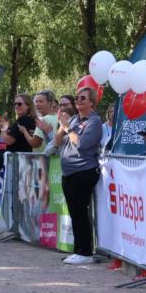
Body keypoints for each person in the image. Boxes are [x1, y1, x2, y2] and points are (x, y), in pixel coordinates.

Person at [55, 86, 103, 265]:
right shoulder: (74, 119)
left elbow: (82, 144)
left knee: (81, 212)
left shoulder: (94, 122)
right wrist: (62, 127)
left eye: (83, 98)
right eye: (77, 98)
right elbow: (57, 142)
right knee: (74, 212)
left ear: (92, 102)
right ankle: (78, 250)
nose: (78, 101)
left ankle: (86, 252)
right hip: (69, 172)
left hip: (84, 171)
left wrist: (68, 128)